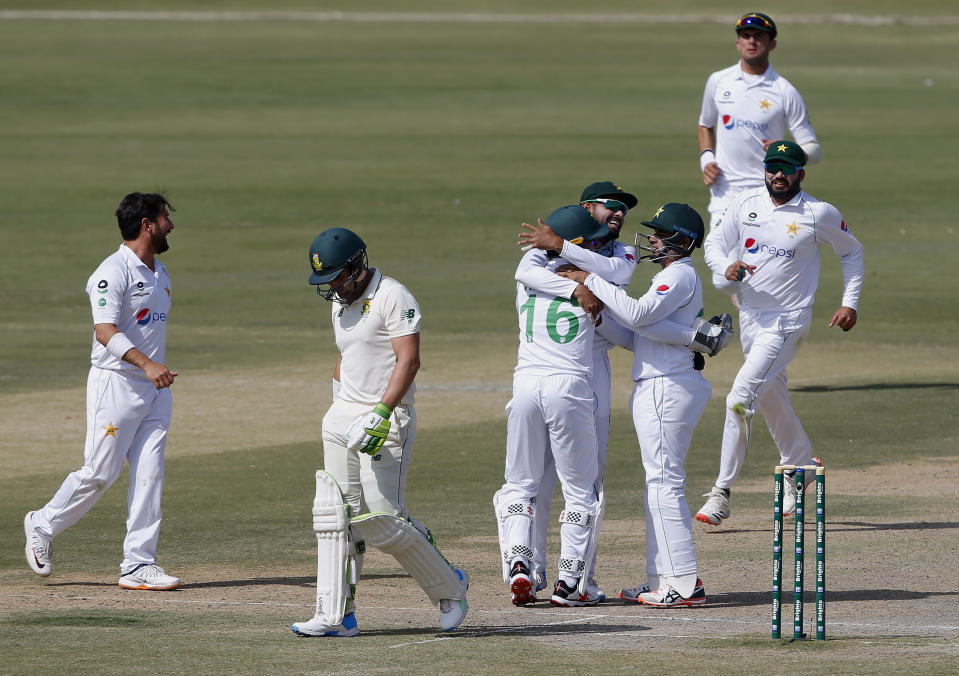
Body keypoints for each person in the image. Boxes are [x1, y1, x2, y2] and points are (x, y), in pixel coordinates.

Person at [292, 227, 468, 637]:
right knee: (338, 517)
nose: (333, 287)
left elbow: (409, 361)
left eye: (337, 277)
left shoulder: (393, 296)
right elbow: (346, 356)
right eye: (327, 281)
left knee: (381, 518)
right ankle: (337, 616)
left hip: (385, 418)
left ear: (358, 265)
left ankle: (450, 588)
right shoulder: (339, 303)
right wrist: (338, 405)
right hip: (342, 418)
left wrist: (382, 412)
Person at [695, 141, 863, 527]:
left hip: (788, 322)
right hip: (751, 317)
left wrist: (849, 303)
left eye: (786, 169)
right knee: (770, 394)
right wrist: (726, 268)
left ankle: (721, 492)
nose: (778, 175)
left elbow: (852, 253)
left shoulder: (818, 213)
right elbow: (715, 244)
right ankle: (800, 463)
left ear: (801, 173)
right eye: (772, 168)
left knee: (740, 397)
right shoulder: (744, 202)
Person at [558, 203, 715, 607]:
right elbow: (636, 332)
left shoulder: (680, 275)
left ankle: (682, 585)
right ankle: (663, 579)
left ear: (682, 240)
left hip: (668, 386)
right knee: (657, 485)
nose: (654, 239)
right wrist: (595, 314)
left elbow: (638, 313)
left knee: (665, 484)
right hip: (659, 383)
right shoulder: (670, 277)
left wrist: (591, 279)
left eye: (661, 233)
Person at [24, 192, 182, 591]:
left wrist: (154, 372)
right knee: (99, 473)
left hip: (155, 391)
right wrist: (147, 365)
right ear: (147, 224)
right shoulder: (112, 272)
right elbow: (104, 331)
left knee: (150, 474)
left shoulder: (160, 273)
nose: (170, 226)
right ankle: (42, 524)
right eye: (165, 219)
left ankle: (138, 564)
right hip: (116, 386)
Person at [518, 180, 639, 602]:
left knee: (585, 481)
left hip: (593, 369)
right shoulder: (546, 244)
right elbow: (524, 270)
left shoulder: (622, 253)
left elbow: (620, 275)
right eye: (612, 205)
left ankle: (580, 575)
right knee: (540, 478)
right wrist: (576, 283)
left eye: (625, 208)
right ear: (587, 208)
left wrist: (568, 253)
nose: (621, 213)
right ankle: (530, 568)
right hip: (554, 364)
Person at [495, 205, 609, 607]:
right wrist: (580, 287)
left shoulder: (531, 266)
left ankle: (520, 565)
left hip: (525, 384)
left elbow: (526, 270)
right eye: (592, 240)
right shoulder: (597, 281)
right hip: (569, 386)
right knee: (581, 490)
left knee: (519, 484)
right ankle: (569, 583)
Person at [698, 12, 821, 230]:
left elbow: (813, 149)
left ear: (772, 44)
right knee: (721, 260)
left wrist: (786, 153)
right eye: (746, 35)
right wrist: (706, 159)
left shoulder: (785, 91)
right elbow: (705, 124)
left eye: (759, 36)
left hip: (766, 193)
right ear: (738, 43)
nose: (752, 41)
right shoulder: (718, 81)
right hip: (724, 193)